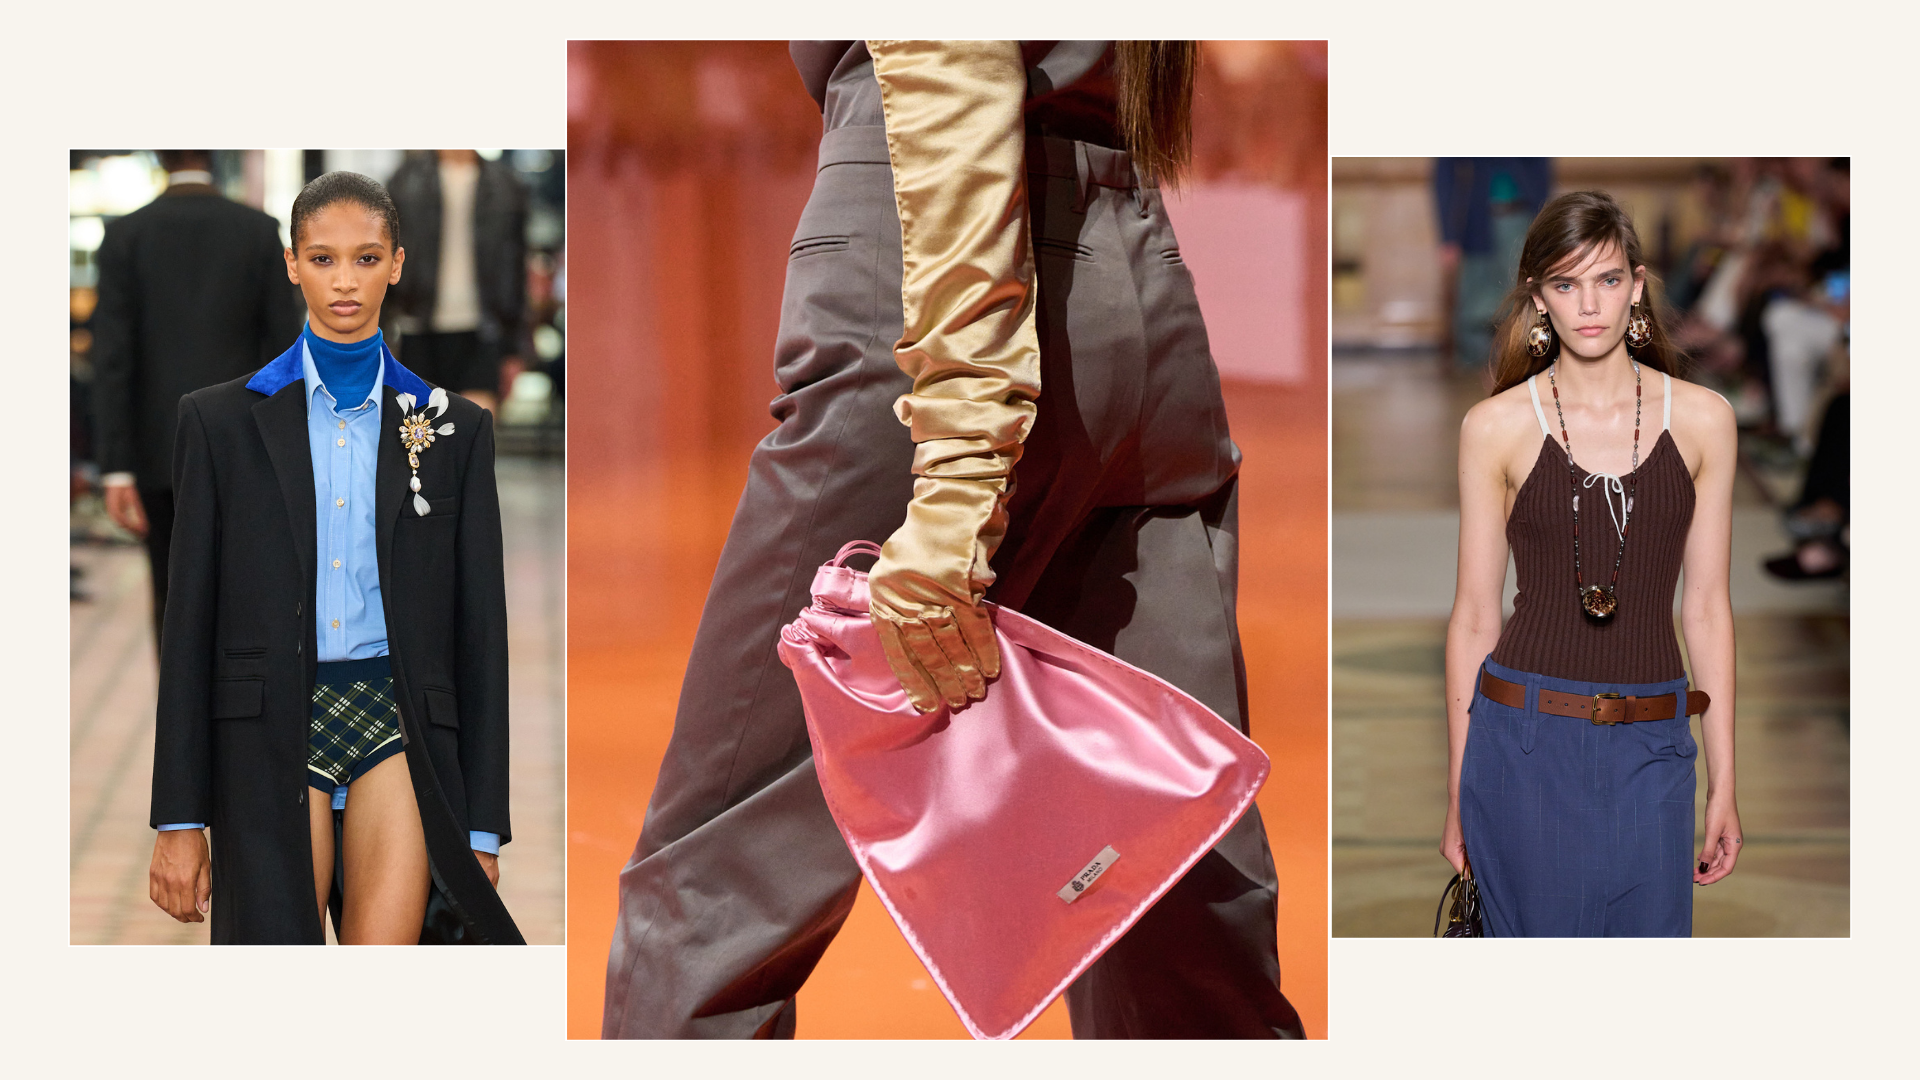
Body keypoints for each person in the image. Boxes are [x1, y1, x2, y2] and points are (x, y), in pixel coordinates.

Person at [602, 40, 1304, 1039]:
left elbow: (947, 65)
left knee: (722, 873)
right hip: (1132, 289)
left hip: (935, 285)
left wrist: (959, 481)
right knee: (1170, 861)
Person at [146, 171, 522, 945]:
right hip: (266, 726)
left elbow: (481, 633)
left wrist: (483, 826)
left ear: (397, 264)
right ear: (292, 264)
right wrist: (178, 818)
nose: (345, 281)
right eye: (323, 259)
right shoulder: (217, 425)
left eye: (366, 258)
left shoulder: (455, 431)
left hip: (397, 720)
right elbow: (188, 626)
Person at [1442, 191, 1742, 937]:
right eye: (1565, 283)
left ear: (1637, 287)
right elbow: (1475, 614)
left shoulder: (1704, 420)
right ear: (1538, 297)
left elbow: (1707, 606)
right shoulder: (1495, 426)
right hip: (1523, 740)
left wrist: (1725, 781)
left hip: (1655, 739)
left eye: (1607, 280)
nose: (1588, 305)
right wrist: (1457, 789)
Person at [89, 150, 302, 642]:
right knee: (245, 585)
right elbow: (284, 349)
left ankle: (176, 689)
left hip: (157, 447)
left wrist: (116, 467)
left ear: (160, 156)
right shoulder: (257, 231)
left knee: (170, 589)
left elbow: (113, 358)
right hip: (245, 444)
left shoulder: (126, 235)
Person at [385, 150, 530, 415]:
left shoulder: (505, 184)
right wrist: (382, 336)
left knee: (476, 429)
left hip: (483, 328)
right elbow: (386, 257)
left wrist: (515, 348)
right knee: (421, 431)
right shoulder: (405, 180)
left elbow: (516, 267)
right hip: (417, 326)